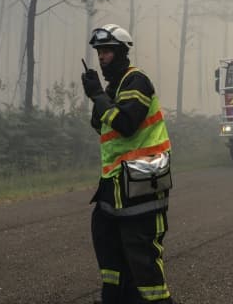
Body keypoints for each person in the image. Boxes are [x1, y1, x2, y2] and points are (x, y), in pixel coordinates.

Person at [81, 23, 176, 304]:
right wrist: (99, 97)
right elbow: (101, 127)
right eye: (99, 52)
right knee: (107, 245)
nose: (101, 57)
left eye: (107, 51)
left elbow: (126, 124)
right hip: (114, 187)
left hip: (142, 188)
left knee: (142, 259)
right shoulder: (115, 88)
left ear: (122, 52)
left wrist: (98, 96)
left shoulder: (137, 82)